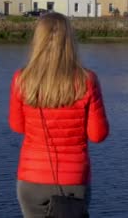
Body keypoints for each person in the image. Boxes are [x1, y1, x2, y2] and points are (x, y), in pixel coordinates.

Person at [9, 13, 110, 217]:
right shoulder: (86, 80)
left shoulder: (22, 78)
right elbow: (97, 135)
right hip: (73, 179)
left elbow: (17, 126)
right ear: (70, 41)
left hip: (31, 177)